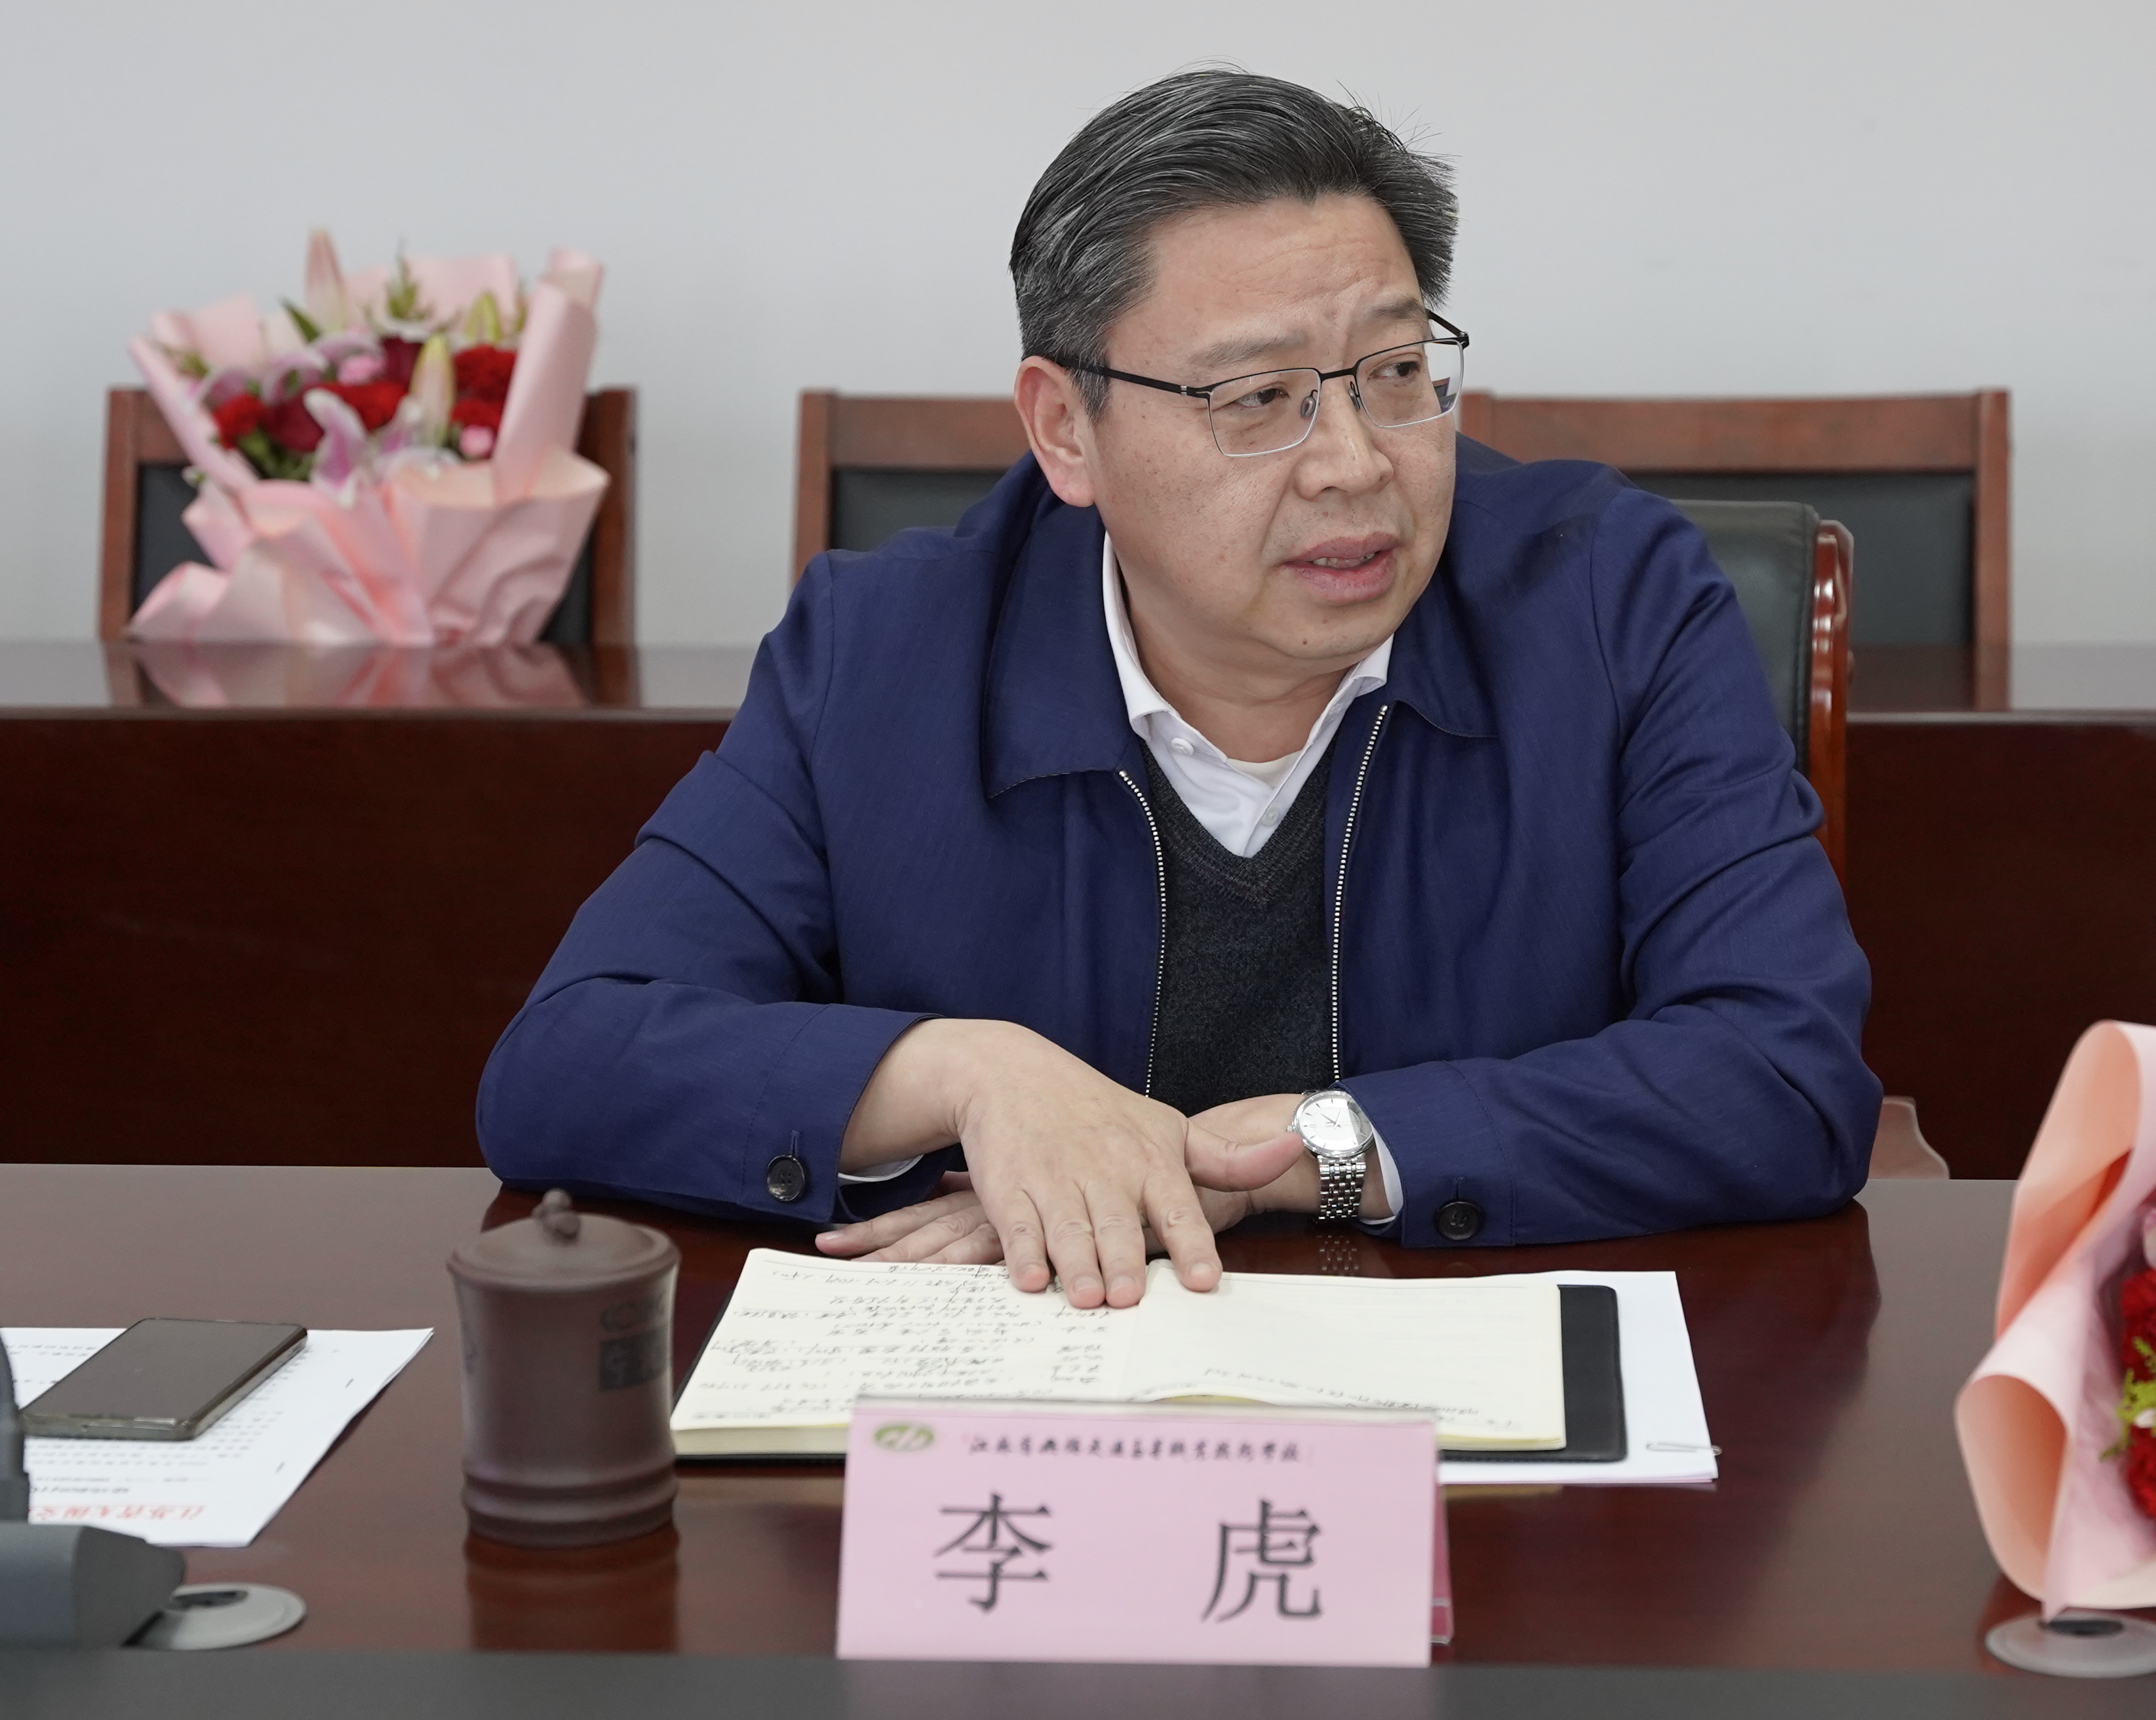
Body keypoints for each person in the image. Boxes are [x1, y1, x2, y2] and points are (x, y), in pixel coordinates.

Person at [477, 70, 1879, 1311]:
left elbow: (1782, 1074)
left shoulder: (1615, 603)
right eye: (1257, 398)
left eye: (1397, 373)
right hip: (1029, 1425)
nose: (1356, 463)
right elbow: (566, 1062)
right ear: (1064, 430)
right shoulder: (884, 650)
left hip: (1470, 1444)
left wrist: (1294, 1156)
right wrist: (975, 1076)